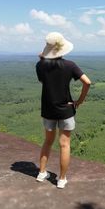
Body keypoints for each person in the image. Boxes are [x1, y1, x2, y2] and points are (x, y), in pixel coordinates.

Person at [35, 32, 91, 189]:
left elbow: (42, 80)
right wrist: (79, 101)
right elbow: (87, 82)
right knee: (64, 144)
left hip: (48, 109)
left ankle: (41, 172)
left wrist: (42, 59)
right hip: (66, 109)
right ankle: (61, 179)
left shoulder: (40, 66)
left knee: (47, 141)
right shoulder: (70, 65)